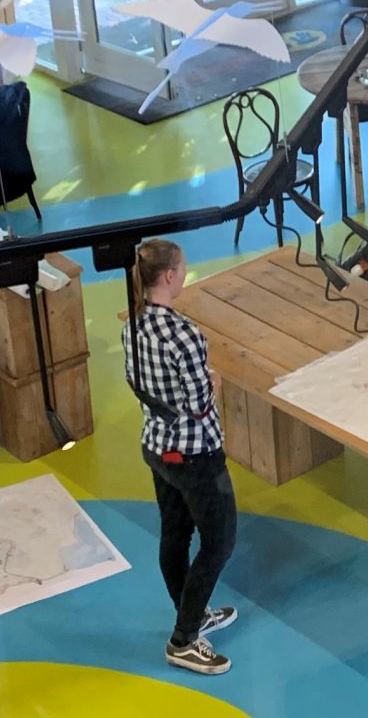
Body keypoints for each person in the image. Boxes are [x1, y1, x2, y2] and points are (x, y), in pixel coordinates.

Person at [123, 239, 238, 676]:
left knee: (175, 534)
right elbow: (198, 403)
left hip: (156, 446)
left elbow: (139, 381)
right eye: (184, 267)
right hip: (196, 454)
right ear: (169, 276)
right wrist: (213, 385)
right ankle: (184, 638)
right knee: (220, 540)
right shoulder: (185, 334)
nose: (186, 272)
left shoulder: (131, 326)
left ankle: (189, 612)